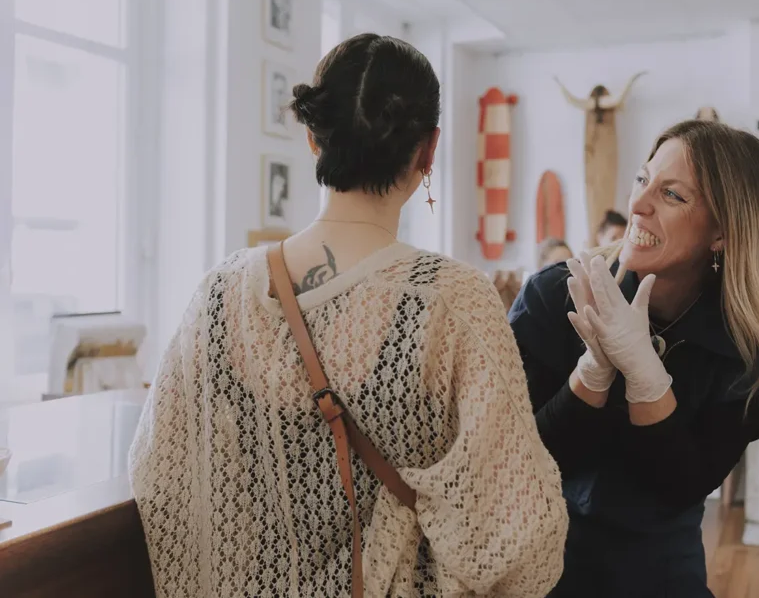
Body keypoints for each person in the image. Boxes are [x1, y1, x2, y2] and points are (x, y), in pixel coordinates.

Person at [130, 33, 568, 598]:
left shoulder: (220, 292)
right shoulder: (451, 301)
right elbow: (520, 538)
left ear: (314, 137)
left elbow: (161, 476)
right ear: (429, 149)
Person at [508, 119, 759, 597]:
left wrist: (645, 375)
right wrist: (594, 371)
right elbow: (518, 462)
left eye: (672, 195)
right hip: (538, 572)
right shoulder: (554, 295)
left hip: (659, 577)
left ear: (722, 233)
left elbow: (680, 486)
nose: (638, 204)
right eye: (642, 179)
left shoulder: (758, 353)